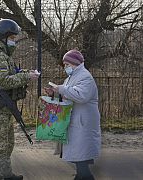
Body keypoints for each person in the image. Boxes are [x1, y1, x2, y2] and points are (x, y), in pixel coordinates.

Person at [0, 19, 40, 180]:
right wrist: (26, 76)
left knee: (7, 144)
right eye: (13, 38)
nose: (14, 42)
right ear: (3, 37)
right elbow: (3, 81)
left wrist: (25, 73)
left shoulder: (4, 55)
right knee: (0, 146)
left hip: (5, 107)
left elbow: (12, 73)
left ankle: (5, 174)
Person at [46, 49, 101, 180]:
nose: (65, 67)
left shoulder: (85, 77)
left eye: (67, 64)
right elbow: (67, 94)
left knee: (80, 156)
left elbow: (81, 96)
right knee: (79, 157)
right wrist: (54, 93)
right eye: (64, 65)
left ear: (75, 63)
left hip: (83, 123)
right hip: (77, 121)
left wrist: (61, 89)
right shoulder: (72, 77)